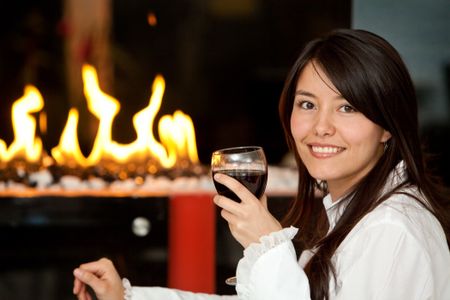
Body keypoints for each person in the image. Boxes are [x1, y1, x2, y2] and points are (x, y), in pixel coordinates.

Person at [72, 28, 450, 300]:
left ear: (387, 126)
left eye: (347, 108)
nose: (321, 127)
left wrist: (266, 245)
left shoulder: (391, 229)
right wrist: (129, 298)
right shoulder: (355, 214)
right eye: (307, 104)